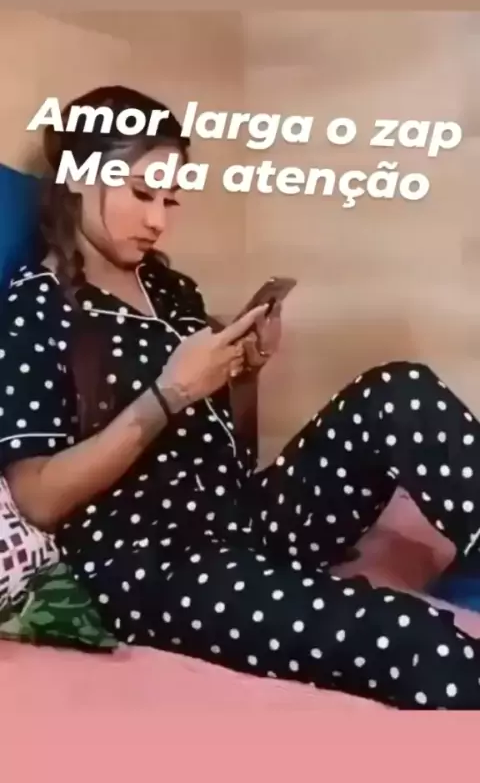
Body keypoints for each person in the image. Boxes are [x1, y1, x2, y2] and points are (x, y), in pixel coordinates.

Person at [1, 85, 480, 710]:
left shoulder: (170, 291)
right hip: (149, 563)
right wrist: (168, 394)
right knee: (415, 640)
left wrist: (245, 373)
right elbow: (36, 499)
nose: (158, 221)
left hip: (239, 519)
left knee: (400, 393)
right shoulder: (38, 307)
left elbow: (224, 451)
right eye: (141, 194)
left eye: (170, 199)